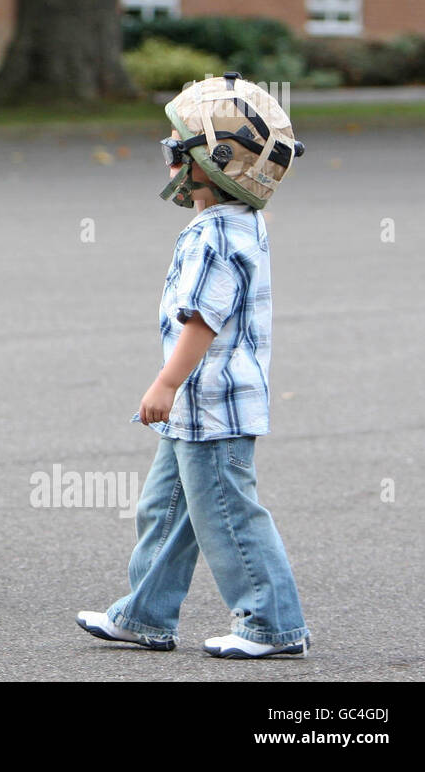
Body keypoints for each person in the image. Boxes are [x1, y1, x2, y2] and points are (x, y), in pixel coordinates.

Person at [77, 74, 312, 658]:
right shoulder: (238, 223)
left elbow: (202, 321)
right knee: (166, 510)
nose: (167, 159)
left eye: (174, 149)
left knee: (229, 516)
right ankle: (145, 615)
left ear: (212, 162)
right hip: (197, 407)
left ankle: (273, 625)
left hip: (213, 404)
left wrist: (165, 382)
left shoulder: (214, 235)